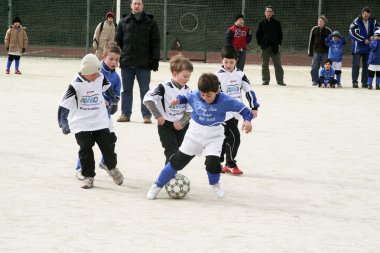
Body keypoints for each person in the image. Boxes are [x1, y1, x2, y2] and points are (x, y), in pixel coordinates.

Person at [146, 73, 254, 200]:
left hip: (214, 135)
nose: (205, 98)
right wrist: (178, 100)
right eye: (203, 94)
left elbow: (245, 110)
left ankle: (215, 184)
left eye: (209, 95)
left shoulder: (225, 100)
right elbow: (186, 97)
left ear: (217, 91)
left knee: (212, 163)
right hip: (195, 133)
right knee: (177, 161)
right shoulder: (196, 95)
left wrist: (247, 120)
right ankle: (156, 186)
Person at [58, 53, 124, 189]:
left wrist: (113, 99)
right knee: (86, 149)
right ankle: (88, 177)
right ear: (86, 72)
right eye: (94, 72)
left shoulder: (100, 77)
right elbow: (63, 105)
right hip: (81, 123)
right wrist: (63, 123)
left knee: (108, 145)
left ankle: (112, 167)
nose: (97, 75)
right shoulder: (75, 85)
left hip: (99, 120)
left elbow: (108, 88)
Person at [74, 42, 122, 180]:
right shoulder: (95, 71)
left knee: (111, 140)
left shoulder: (116, 78)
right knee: (86, 143)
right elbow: (85, 89)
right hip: (89, 114)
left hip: (104, 115)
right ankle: (80, 167)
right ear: (103, 57)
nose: (114, 62)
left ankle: (105, 163)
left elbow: (116, 96)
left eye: (117, 59)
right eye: (111, 59)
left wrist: (113, 104)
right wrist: (101, 99)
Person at [216, 45, 259, 175]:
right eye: (226, 62)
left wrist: (254, 106)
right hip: (224, 113)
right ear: (222, 61)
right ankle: (230, 163)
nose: (228, 65)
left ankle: (218, 162)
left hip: (237, 112)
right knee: (235, 137)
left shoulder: (240, 74)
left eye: (231, 62)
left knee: (226, 138)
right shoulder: (217, 76)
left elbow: (249, 90)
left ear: (236, 60)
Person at [115, 0, 160, 124]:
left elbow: (155, 42)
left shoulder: (151, 23)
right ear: (131, 5)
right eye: (134, 3)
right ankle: (125, 114)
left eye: (139, 3)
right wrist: (116, 58)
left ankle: (146, 115)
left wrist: (155, 59)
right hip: (127, 63)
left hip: (144, 64)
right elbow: (117, 42)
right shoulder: (123, 22)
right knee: (126, 90)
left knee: (145, 90)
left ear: (142, 5)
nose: (136, 6)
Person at [143, 55, 193, 164]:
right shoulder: (163, 87)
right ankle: (169, 177)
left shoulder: (189, 91)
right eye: (185, 76)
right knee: (171, 150)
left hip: (181, 127)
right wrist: (158, 115)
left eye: (189, 76)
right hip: (165, 125)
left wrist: (182, 122)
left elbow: (190, 111)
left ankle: (171, 174)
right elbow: (147, 99)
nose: (187, 79)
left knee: (178, 151)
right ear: (175, 73)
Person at [349, 6, 380, 88]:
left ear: (370, 14)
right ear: (362, 13)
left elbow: (378, 29)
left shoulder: (373, 21)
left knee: (366, 65)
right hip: (358, 47)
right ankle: (355, 82)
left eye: (368, 15)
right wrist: (363, 40)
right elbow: (352, 33)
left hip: (368, 47)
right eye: (365, 15)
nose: (366, 17)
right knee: (356, 65)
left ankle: (364, 82)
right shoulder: (356, 21)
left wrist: (374, 35)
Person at [256, 5, 286, 86]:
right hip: (265, 47)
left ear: (272, 13)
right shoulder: (261, 23)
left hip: (275, 47)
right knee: (264, 65)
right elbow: (258, 35)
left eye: (270, 11)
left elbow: (280, 34)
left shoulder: (277, 23)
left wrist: (279, 43)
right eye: (267, 11)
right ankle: (265, 80)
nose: (269, 13)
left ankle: (280, 81)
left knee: (278, 64)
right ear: (265, 13)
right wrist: (261, 44)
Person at [308, 15, 332, 86]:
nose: (319, 22)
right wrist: (310, 51)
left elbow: (331, 42)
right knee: (314, 66)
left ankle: (324, 80)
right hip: (316, 51)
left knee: (325, 67)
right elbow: (311, 41)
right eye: (318, 21)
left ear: (324, 22)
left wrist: (330, 53)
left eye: (321, 21)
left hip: (325, 52)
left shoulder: (328, 30)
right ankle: (315, 80)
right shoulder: (314, 29)